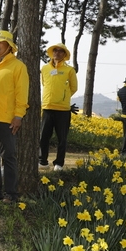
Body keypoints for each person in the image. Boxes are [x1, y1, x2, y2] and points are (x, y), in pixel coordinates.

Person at [0, 30, 29, 203]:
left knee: (8, 156)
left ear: (9, 47)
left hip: (7, 119)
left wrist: (18, 115)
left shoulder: (18, 66)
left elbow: (22, 94)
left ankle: (11, 193)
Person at [39, 43, 78, 171]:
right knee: (43, 136)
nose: (57, 53)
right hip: (47, 107)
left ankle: (59, 163)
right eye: (55, 50)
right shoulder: (44, 68)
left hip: (63, 109)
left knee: (62, 138)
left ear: (64, 55)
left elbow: (74, 88)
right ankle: (42, 161)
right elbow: (44, 83)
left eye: (61, 51)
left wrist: (63, 97)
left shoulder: (69, 70)